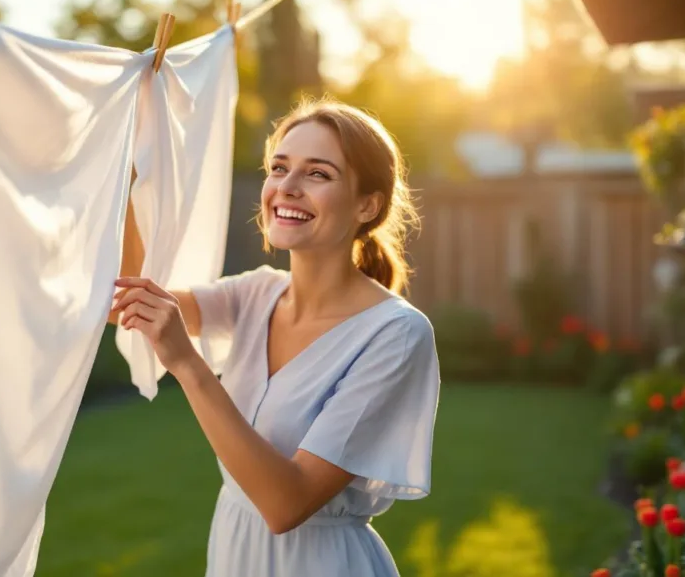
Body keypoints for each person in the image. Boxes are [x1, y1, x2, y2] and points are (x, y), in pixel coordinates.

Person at [109, 97, 441, 577]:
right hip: (233, 552)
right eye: (278, 168)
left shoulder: (396, 335)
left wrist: (187, 364)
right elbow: (126, 297)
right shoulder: (255, 292)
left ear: (367, 205)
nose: (286, 187)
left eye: (317, 174)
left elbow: (287, 504)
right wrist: (127, 165)